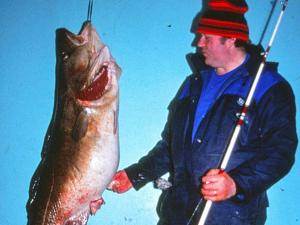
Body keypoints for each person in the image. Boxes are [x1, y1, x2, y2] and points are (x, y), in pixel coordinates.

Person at [108, 0, 298, 224]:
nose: (198, 43)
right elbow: (172, 146)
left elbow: (280, 152)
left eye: (207, 37)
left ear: (232, 39)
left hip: (232, 217)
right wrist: (136, 175)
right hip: (177, 213)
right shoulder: (193, 84)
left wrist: (236, 184)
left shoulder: (268, 86)